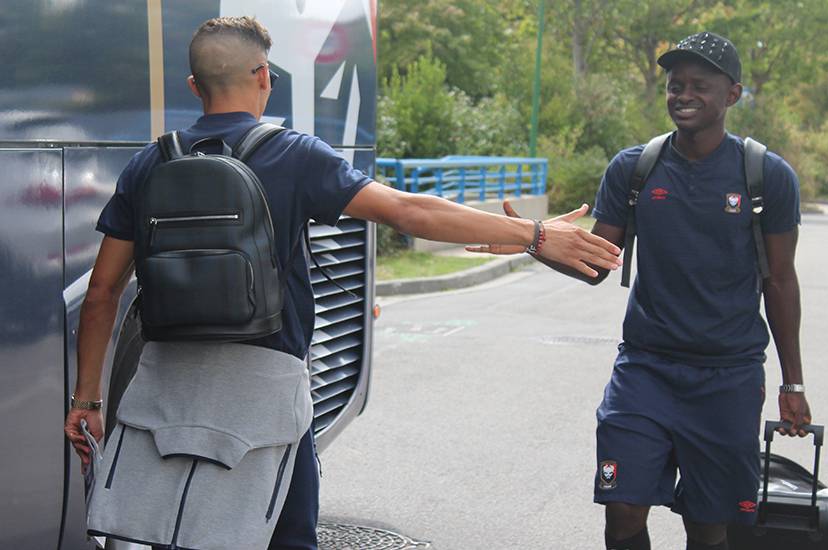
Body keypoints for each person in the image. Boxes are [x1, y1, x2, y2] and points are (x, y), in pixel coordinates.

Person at [62, 16, 622, 550]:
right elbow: (410, 212)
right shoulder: (294, 154)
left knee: (180, 532)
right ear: (264, 78)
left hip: (168, 384)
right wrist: (533, 234)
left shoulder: (147, 165)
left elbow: (102, 295)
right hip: (268, 391)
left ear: (193, 85)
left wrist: (88, 396)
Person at [471, 31, 811, 550]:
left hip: (728, 377)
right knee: (623, 510)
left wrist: (793, 386)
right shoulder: (635, 168)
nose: (684, 95)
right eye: (676, 85)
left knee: (707, 524)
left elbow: (780, 281)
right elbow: (597, 265)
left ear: (733, 95)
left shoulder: (766, 176)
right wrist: (533, 242)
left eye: (700, 85)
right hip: (645, 371)